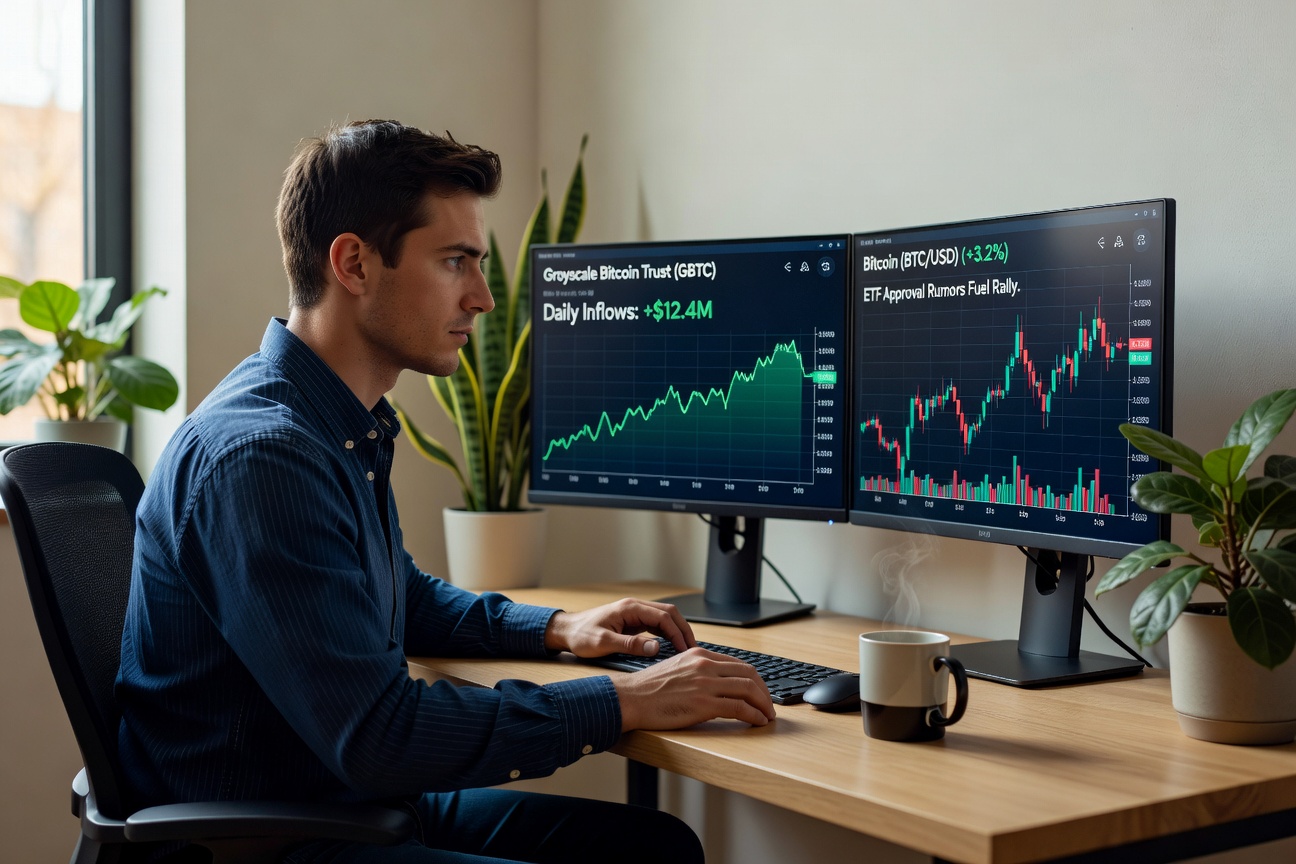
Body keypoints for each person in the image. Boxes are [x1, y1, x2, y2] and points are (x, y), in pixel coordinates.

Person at [116, 119, 776, 864]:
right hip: (269, 840)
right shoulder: (265, 457)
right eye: (455, 262)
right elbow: (379, 736)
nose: (484, 298)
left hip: (337, 804)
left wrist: (558, 628)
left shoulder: (334, 423)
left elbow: (399, 594)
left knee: (653, 847)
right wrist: (626, 699)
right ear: (354, 264)